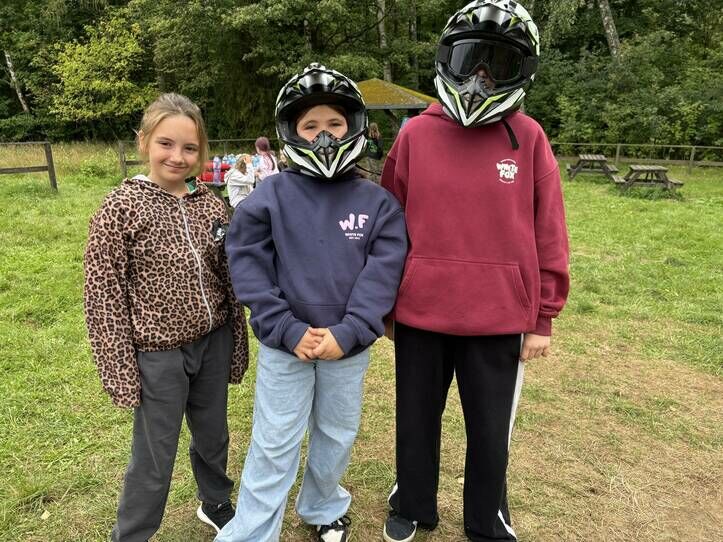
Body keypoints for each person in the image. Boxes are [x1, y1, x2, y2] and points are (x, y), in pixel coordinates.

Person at [380, 2, 570, 541]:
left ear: (520, 72)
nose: (481, 77)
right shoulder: (415, 135)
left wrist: (543, 317)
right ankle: (413, 504)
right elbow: (389, 227)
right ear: (449, 59)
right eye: (471, 60)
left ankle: (488, 518)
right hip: (420, 312)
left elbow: (549, 231)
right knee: (416, 419)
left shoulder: (529, 137)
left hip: (499, 317)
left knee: (489, 430)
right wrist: (386, 305)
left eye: (497, 64)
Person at [215, 63, 407, 542]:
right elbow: (249, 266)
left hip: (347, 348)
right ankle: (251, 533)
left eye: (335, 124)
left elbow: (382, 276)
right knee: (274, 441)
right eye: (311, 126)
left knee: (337, 434)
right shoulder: (268, 197)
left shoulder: (378, 203)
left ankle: (323, 506)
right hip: (286, 346)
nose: (324, 135)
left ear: (354, 126)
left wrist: (350, 331)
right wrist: (286, 327)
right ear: (291, 132)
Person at [83, 92, 250, 542]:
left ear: (202, 151)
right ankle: (133, 533)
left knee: (213, 434)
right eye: (166, 144)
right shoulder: (121, 207)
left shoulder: (211, 205)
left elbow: (229, 280)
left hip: (212, 343)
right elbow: (103, 295)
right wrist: (120, 369)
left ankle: (215, 501)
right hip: (158, 355)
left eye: (190, 148)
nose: (177, 156)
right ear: (144, 142)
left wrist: (236, 344)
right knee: (155, 453)